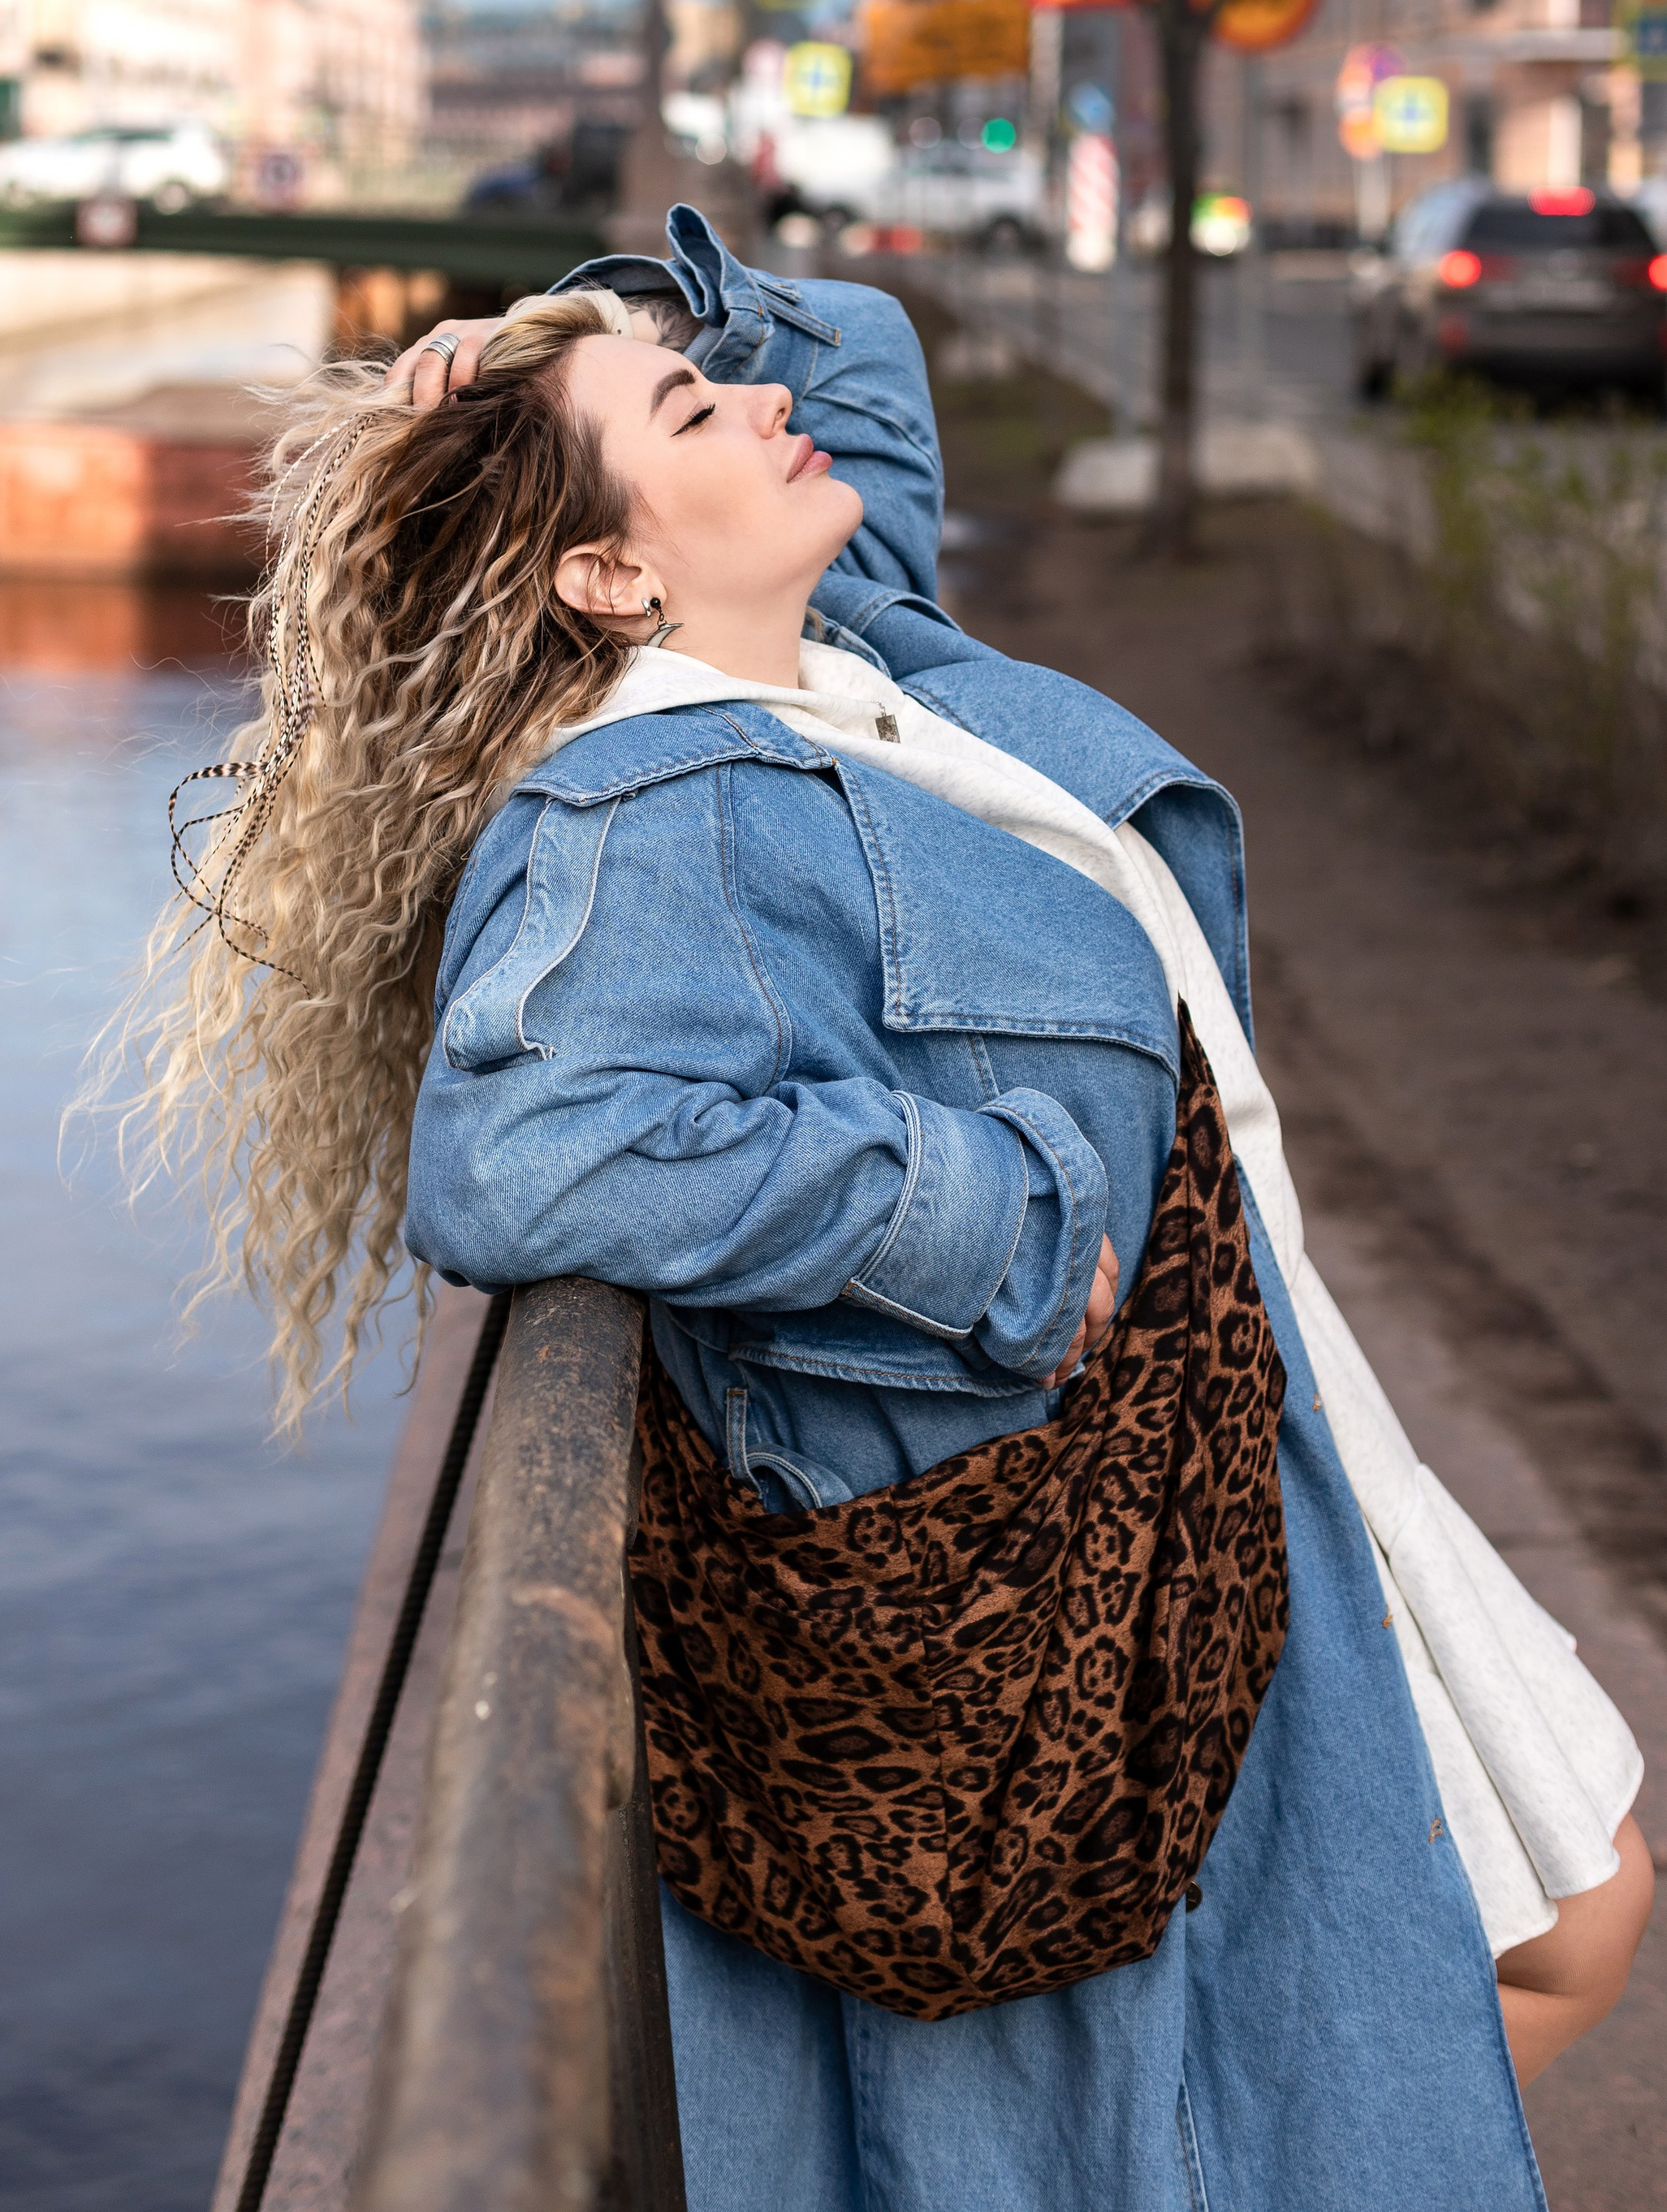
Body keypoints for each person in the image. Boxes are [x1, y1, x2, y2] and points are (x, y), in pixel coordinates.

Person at [138, 210, 1650, 2212]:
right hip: (1073, 1545)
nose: (761, 401)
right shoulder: (649, 810)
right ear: (608, 569)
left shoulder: (852, 662)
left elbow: (849, 356)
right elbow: (513, 1153)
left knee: (1553, 1929)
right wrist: (980, 1222)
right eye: (695, 404)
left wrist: (573, 326)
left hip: (1246, 1446)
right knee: (1430, 2012)